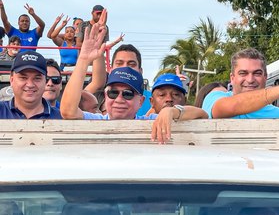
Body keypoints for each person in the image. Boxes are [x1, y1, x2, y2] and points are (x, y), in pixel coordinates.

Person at [60, 22, 207, 144]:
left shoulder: (150, 121)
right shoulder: (97, 120)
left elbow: (202, 115)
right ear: (105, 95)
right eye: (113, 92)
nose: (119, 99)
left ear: (141, 101)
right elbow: (68, 111)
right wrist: (84, 60)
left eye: (128, 94)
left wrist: (171, 111)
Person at [202, 48, 279, 119]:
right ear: (232, 78)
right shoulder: (214, 98)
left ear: (265, 77)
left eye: (257, 73)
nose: (250, 80)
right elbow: (231, 107)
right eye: (243, 73)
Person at [0, 50, 62, 119]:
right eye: (23, 78)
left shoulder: (61, 118)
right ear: (11, 80)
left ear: (45, 81)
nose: (30, 85)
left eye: (37, 78)